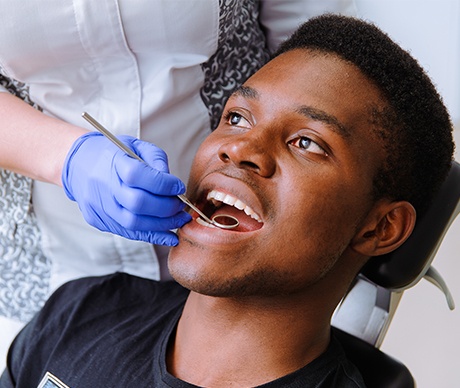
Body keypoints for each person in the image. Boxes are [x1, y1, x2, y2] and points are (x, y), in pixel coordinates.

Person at [1, 14, 454, 387]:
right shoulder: (79, 313)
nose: (238, 148)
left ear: (381, 228)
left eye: (307, 143)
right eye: (236, 117)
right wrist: (67, 157)